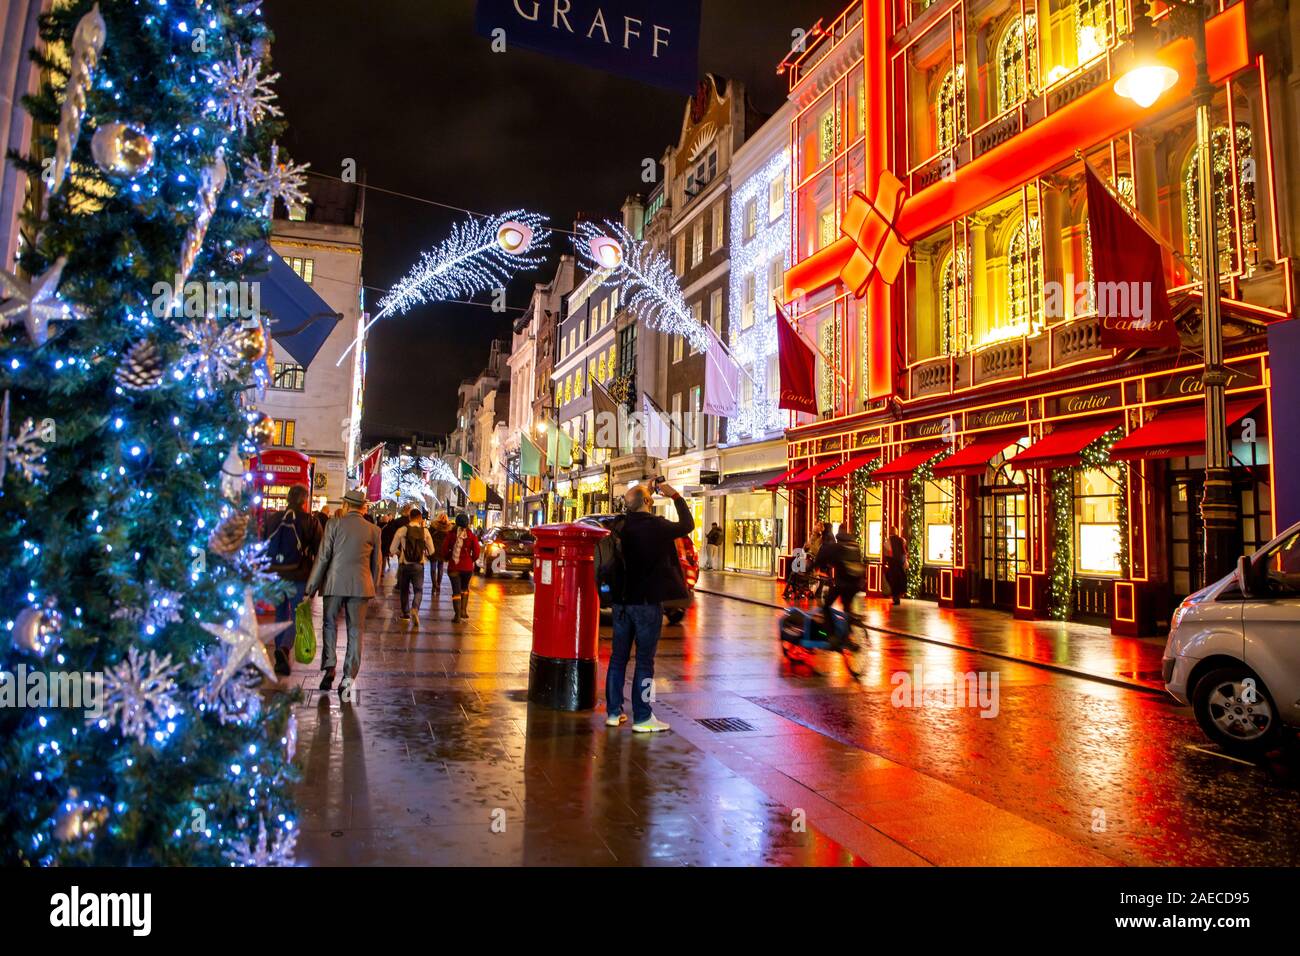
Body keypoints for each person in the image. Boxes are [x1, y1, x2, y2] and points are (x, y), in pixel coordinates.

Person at [605, 480, 693, 733]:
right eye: (650, 498)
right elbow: (688, 525)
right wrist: (675, 495)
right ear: (647, 502)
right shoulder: (657, 526)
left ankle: (613, 712)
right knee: (645, 661)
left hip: (621, 604)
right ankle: (643, 716)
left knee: (618, 659)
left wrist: (641, 489)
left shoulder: (620, 526)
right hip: (646, 604)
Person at [305, 488, 382, 700]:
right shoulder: (374, 530)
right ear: (363, 508)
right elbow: (377, 563)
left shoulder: (333, 524)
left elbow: (323, 557)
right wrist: (372, 587)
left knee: (329, 624)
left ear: (347, 505)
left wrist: (311, 587)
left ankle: (329, 665)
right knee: (356, 631)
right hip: (361, 586)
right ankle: (348, 678)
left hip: (334, 583)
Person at [262, 484, 322, 676]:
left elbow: (262, 545)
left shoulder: (272, 519)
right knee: (297, 616)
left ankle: (280, 658)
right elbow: (319, 550)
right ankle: (284, 649)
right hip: (297, 574)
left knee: (280, 615)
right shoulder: (309, 521)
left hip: (275, 574)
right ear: (305, 501)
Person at [815, 525, 865, 649]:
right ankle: (849, 634)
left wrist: (812, 567)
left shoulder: (838, 547)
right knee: (847, 607)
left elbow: (822, 556)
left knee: (826, 606)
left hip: (842, 584)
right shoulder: (855, 547)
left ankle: (832, 636)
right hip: (857, 585)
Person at [390, 508, 434, 626]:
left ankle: (405, 614)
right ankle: (415, 608)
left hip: (405, 564)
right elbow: (432, 550)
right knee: (418, 590)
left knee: (404, 590)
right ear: (420, 518)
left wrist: (399, 553)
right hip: (419, 565)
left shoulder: (402, 530)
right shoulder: (425, 532)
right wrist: (424, 553)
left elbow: (392, 549)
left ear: (409, 517)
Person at [440, 513, 480, 622]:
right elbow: (476, 551)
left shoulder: (451, 534)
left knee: (456, 590)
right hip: (467, 567)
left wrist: (448, 557)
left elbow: (444, 549)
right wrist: (471, 559)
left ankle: (457, 615)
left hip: (454, 567)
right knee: (464, 588)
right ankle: (463, 611)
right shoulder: (471, 535)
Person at [381, 504, 414, 588]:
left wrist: (394, 548)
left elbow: (392, 534)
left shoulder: (397, 521)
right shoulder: (412, 522)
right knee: (409, 565)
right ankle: (406, 582)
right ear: (409, 511)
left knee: (401, 564)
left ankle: (400, 582)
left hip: (400, 547)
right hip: (411, 547)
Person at [427, 512, 452, 596]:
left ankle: (434, 585)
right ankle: (438, 585)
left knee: (433, 568)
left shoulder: (433, 526)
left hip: (433, 549)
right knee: (440, 568)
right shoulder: (448, 528)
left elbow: (428, 537)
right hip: (443, 550)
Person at [885, 531, 907, 606]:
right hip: (900, 564)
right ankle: (898, 596)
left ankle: (896, 598)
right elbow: (905, 552)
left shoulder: (888, 540)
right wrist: (904, 561)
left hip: (893, 564)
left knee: (892, 580)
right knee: (899, 580)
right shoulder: (902, 540)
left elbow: (889, 552)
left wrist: (888, 560)